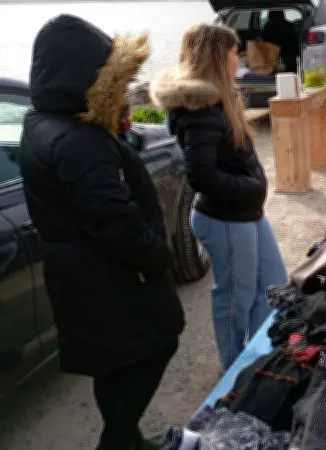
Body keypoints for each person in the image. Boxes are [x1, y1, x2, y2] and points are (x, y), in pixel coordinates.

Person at [20, 14, 184, 450]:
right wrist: (158, 256)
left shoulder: (41, 123)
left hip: (79, 275)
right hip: (106, 277)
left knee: (113, 363)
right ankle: (116, 441)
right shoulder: (76, 140)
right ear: (84, 76)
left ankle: (127, 439)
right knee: (158, 343)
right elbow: (113, 219)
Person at [150, 23, 287, 371]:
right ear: (215, 56)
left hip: (246, 213)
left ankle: (259, 357)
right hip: (225, 218)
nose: (236, 57)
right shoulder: (200, 108)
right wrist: (250, 189)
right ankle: (234, 368)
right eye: (231, 51)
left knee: (272, 284)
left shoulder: (219, 98)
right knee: (234, 299)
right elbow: (201, 175)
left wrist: (250, 192)